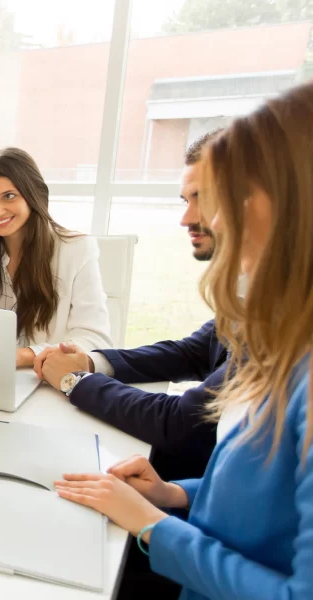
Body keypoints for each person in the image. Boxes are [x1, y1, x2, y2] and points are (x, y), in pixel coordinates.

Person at [56, 80, 313, 600]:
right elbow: (267, 502)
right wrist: (175, 496)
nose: (208, 216)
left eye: (231, 193)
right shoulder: (287, 334)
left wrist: (152, 527)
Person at [33, 130, 225, 482]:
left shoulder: (288, 316)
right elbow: (191, 354)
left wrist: (75, 381)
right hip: (189, 487)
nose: (185, 218)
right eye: (186, 200)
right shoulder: (249, 300)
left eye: (203, 198)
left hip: (205, 497)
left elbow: (184, 422)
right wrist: (92, 362)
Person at [0, 148, 111, 366]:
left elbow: (94, 340)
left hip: (46, 383)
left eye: (9, 196)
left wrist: (20, 356)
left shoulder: (77, 250)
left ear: (33, 194)